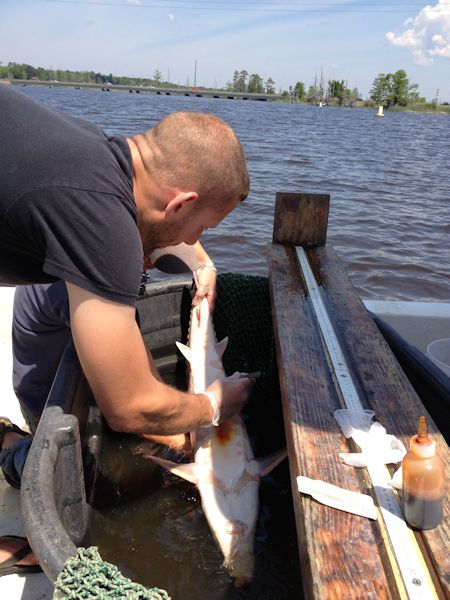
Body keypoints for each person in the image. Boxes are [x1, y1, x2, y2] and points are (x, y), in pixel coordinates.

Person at [0, 84, 254, 574]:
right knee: (67, 423)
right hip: (52, 317)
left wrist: (201, 262)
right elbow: (127, 409)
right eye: (202, 228)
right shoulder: (101, 219)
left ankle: (10, 444)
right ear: (180, 203)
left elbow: (150, 233)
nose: (196, 242)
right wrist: (215, 404)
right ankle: (18, 470)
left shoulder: (101, 155)